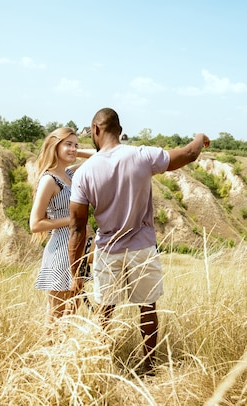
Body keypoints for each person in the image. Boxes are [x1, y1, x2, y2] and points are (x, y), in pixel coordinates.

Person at [68, 107, 210, 375]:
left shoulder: (84, 173)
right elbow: (190, 153)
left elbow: (78, 228)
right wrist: (200, 136)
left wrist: (75, 272)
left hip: (107, 250)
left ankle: (101, 367)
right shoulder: (142, 156)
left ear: (96, 130)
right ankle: (148, 368)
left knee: (104, 312)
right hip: (142, 247)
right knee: (147, 309)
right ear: (119, 131)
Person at [29, 126, 95, 329]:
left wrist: (74, 151)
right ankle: (48, 356)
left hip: (79, 249)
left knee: (72, 312)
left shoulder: (69, 174)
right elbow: (35, 224)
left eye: (76, 145)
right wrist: (73, 219)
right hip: (60, 251)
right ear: (54, 146)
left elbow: (100, 155)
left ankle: (62, 355)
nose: (74, 149)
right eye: (68, 144)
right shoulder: (49, 180)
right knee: (56, 315)